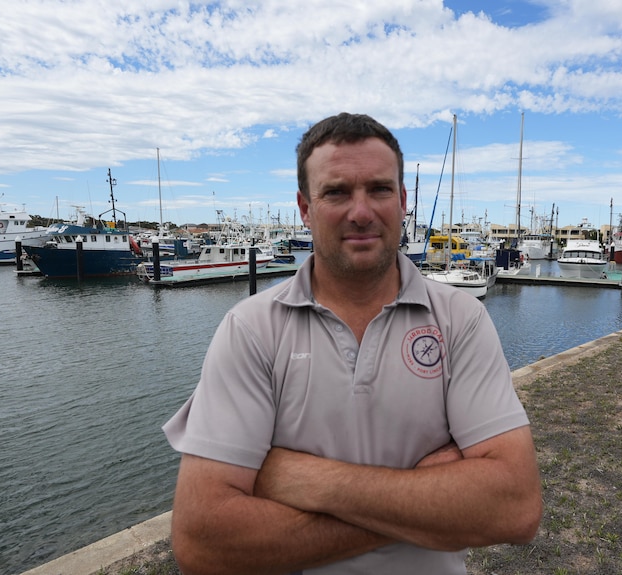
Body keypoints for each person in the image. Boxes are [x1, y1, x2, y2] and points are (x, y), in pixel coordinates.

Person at [163, 112, 542, 575]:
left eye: (379, 189)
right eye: (337, 192)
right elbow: (204, 543)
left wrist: (310, 481)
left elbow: (516, 508)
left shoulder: (460, 319)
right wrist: (426, 499)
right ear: (304, 208)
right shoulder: (251, 330)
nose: (361, 212)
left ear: (403, 201)